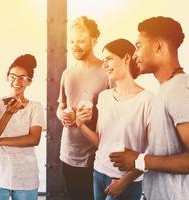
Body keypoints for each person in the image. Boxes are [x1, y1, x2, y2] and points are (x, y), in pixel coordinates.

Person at [109, 16, 189, 200]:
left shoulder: (178, 90)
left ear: (158, 46)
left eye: (138, 46)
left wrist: (138, 159)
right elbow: (162, 154)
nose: (135, 55)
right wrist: (127, 180)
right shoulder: (165, 89)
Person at [76, 39, 153, 200]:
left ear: (126, 58)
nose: (104, 65)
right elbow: (101, 142)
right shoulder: (104, 97)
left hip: (127, 181)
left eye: (109, 58)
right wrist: (80, 124)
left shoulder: (147, 100)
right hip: (98, 174)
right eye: (103, 60)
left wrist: (124, 182)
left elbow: (151, 152)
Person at [56, 16, 109, 200]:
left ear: (94, 40)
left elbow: (116, 113)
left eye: (80, 40)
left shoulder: (106, 71)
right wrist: (62, 115)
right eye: (72, 41)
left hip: (96, 155)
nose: (75, 45)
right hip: (68, 154)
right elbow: (61, 106)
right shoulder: (67, 73)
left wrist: (94, 114)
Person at [0, 54, 45, 200]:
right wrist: (8, 113)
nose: (17, 81)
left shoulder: (35, 107)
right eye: (13, 76)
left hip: (26, 174)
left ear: (29, 82)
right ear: (7, 77)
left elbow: (34, 139)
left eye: (23, 77)